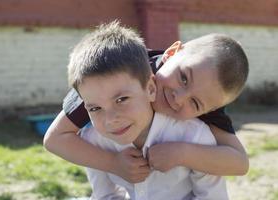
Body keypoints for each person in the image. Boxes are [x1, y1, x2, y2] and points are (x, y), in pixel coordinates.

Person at [43, 21, 249, 183]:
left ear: (210, 109)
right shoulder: (116, 75)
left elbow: (240, 163)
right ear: (171, 53)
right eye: (183, 78)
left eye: (195, 104)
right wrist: (113, 164)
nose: (179, 97)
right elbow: (55, 139)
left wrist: (182, 153)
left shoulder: (207, 92)